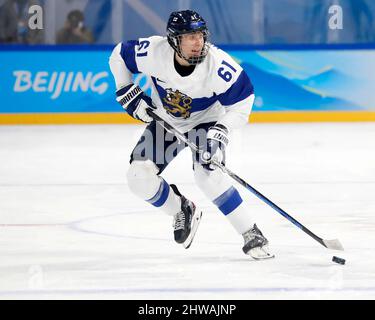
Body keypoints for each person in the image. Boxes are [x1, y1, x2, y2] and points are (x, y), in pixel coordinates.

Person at [109, 10, 274, 260]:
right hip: (166, 122)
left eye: (200, 35)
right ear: (174, 40)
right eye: (190, 37)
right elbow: (119, 55)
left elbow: (243, 101)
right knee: (137, 177)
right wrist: (125, 88)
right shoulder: (154, 52)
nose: (198, 42)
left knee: (207, 175)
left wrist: (220, 132)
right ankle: (181, 209)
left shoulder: (218, 65)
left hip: (206, 122)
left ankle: (251, 232)